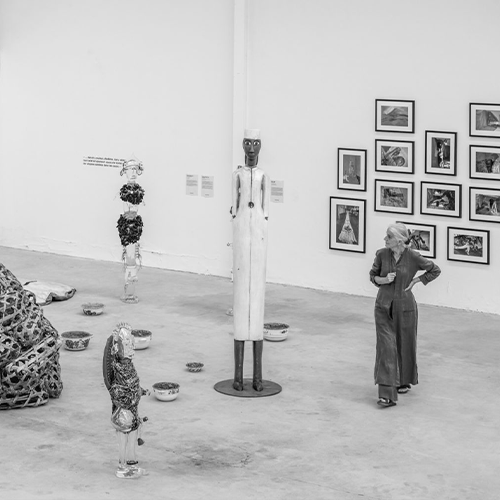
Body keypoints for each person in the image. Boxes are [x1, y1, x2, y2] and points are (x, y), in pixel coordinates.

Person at [369, 223, 441, 408]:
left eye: (388, 237)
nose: (385, 239)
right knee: (386, 349)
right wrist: (383, 279)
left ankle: (403, 380)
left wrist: (417, 280)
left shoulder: (413, 257)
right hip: (383, 307)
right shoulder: (381, 254)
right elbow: (373, 276)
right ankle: (387, 395)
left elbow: (435, 270)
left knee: (405, 344)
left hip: (406, 307)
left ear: (399, 241)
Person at [231, 129, 270, 391]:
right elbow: (234, 206)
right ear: (243, 146)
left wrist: (262, 222)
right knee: (241, 305)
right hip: (242, 232)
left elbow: (266, 207)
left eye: (255, 143)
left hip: (259, 235)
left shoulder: (264, 175)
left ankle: (257, 377)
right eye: (248, 143)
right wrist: (237, 219)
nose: (252, 149)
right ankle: (238, 376)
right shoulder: (238, 175)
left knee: (257, 309)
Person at [103, 322, 149, 478]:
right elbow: (116, 390)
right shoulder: (118, 368)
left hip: (133, 411)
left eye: (131, 343)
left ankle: (132, 463)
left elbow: (133, 385)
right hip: (123, 413)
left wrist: (141, 391)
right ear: (117, 348)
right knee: (123, 438)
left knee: (133, 436)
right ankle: (122, 466)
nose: (131, 347)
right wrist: (129, 398)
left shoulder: (129, 366)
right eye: (127, 344)